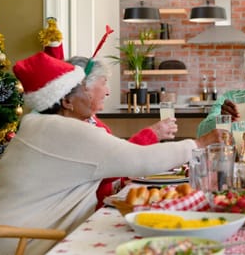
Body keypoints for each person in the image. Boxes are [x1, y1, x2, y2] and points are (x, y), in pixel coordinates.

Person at [0, 52, 223, 255]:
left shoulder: (40, 125)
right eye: (85, 88)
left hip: (17, 237)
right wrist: (200, 143)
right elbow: (142, 160)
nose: (93, 94)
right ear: (66, 100)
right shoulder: (66, 131)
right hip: (24, 242)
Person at [67, 56, 178, 209]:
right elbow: (112, 165)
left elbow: (111, 167)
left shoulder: (94, 122)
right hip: (88, 215)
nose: (107, 91)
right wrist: (153, 134)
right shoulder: (72, 127)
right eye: (104, 83)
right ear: (83, 88)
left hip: (102, 206)